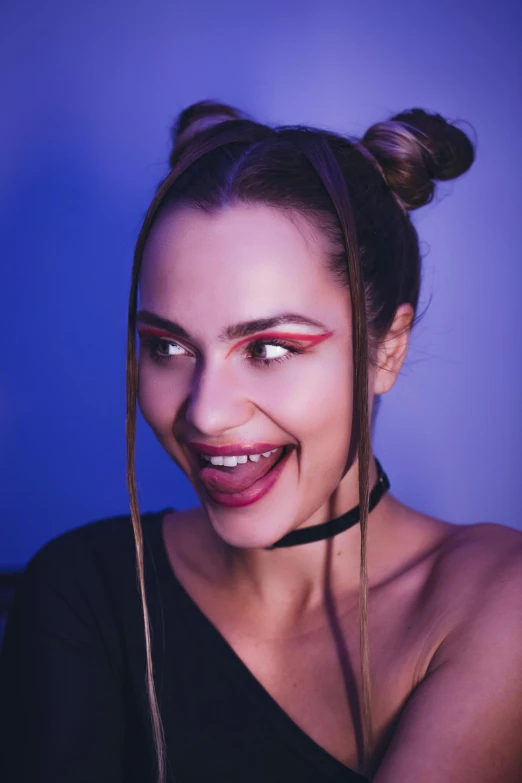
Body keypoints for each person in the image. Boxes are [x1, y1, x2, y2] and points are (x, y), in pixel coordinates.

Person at [1, 101, 522, 783]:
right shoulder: (82, 591)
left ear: (387, 349)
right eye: (167, 346)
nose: (207, 413)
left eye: (270, 347)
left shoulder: (495, 598)